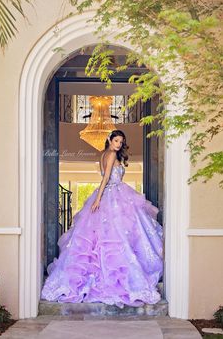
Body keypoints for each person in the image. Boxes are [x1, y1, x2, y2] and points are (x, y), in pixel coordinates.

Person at [41, 129, 163, 308]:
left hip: (107, 194)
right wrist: (98, 199)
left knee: (104, 237)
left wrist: (98, 197)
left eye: (121, 142)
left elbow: (105, 176)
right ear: (109, 140)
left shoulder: (103, 155)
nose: (119, 145)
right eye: (116, 141)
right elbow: (106, 177)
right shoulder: (112, 155)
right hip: (112, 195)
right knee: (120, 235)